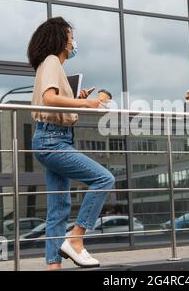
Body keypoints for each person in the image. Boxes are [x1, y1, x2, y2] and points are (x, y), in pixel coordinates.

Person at [28, 17, 115, 270]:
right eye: (70, 35)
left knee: (59, 207)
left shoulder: (51, 65)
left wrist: (76, 98)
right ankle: (76, 239)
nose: (73, 40)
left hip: (51, 137)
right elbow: (49, 99)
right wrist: (86, 103)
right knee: (104, 179)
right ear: (60, 38)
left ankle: (53, 265)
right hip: (53, 139)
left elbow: (56, 100)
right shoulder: (53, 61)